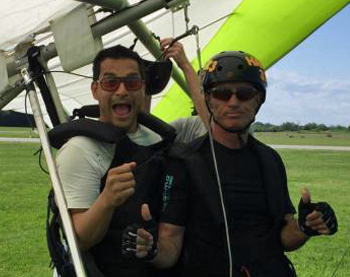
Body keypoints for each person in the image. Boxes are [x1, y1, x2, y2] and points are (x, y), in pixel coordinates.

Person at [136, 50, 338, 276]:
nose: (233, 102)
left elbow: (284, 238)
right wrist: (152, 250)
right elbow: (170, 246)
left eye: (244, 94)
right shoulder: (185, 162)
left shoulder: (269, 159)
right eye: (222, 94)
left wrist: (305, 227)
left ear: (258, 100)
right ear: (209, 100)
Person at [55, 44, 179, 277]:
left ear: (142, 88)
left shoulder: (157, 141)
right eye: (111, 83)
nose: (122, 90)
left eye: (132, 82)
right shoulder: (79, 150)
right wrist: (107, 200)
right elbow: (78, 240)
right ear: (95, 90)